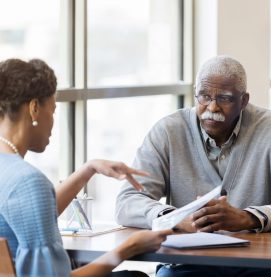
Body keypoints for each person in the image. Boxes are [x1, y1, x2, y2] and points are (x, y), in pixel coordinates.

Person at [115, 55, 271, 276]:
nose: (212, 107)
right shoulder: (168, 131)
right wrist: (175, 218)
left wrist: (248, 218)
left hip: (265, 262)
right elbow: (127, 202)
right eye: (204, 96)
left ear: (244, 100)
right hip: (190, 263)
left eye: (224, 98)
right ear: (195, 93)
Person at [0, 58, 172, 277]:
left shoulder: (11, 176)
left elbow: (31, 218)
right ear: (34, 108)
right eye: (52, 110)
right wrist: (128, 248)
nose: (53, 121)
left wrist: (88, 169)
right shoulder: (27, 181)